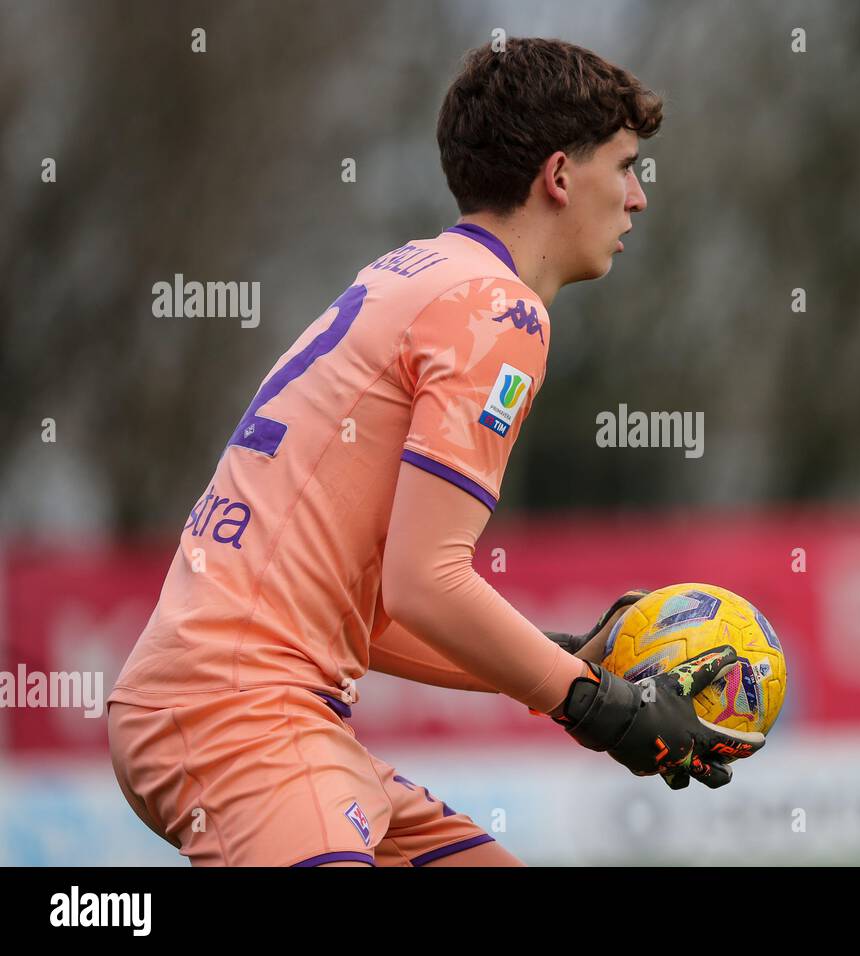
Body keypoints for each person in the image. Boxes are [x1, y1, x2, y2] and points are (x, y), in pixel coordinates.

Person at [106, 36, 763, 867]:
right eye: (628, 166)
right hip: (243, 711)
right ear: (560, 177)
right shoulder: (500, 312)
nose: (637, 198)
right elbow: (429, 581)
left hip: (239, 702)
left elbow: (384, 604)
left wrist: (560, 658)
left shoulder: (414, 276)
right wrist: (598, 709)